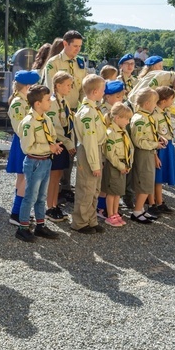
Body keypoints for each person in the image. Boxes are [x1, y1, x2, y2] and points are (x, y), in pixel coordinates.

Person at [43, 31, 88, 201]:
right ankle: (54, 188)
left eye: (80, 46)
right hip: (60, 111)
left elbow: (83, 87)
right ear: (65, 44)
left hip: (76, 110)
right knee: (60, 147)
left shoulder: (80, 62)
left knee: (72, 150)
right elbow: (50, 88)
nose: (77, 49)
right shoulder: (53, 63)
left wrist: (83, 106)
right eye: (75, 46)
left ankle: (66, 186)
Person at [15, 84, 62, 242]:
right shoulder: (29, 123)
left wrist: (54, 148)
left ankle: (40, 225)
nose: (50, 102)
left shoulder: (46, 119)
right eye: (48, 99)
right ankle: (22, 227)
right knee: (30, 196)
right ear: (38, 104)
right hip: (34, 162)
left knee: (42, 196)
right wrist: (48, 147)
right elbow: (27, 147)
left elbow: (52, 136)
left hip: (45, 161)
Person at [71, 74, 107, 234]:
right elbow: (90, 141)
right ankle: (80, 222)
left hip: (95, 150)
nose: (104, 93)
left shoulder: (94, 110)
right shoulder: (87, 113)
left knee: (94, 189)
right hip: (88, 152)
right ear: (94, 92)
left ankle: (91, 220)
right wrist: (94, 164)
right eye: (102, 90)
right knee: (86, 188)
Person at [6, 70, 41, 226]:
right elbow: (20, 127)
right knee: (26, 178)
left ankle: (20, 211)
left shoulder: (24, 100)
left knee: (22, 177)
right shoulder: (19, 103)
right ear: (28, 86)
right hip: (24, 143)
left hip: (25, 142)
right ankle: (16, 213)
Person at [129, 88, 164, 223]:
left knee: (147, 181)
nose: (156, 105)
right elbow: (139, 141)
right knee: (145, 182)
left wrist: (159, 139)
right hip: (143, 154)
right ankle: (137, 211)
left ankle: (141, 209)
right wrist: (155, 145)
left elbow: (150, 134)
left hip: (149, 152)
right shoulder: (139, 119)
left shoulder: (147, 117)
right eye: (155, 102)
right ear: (148, 103)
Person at [45, 71, 74, 222]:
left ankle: (54, 204)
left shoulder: (63, 101)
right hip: (58, 143)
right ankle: (49, 207)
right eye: (68, 85)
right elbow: (55, 128)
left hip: (64, 142)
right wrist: (69, 144)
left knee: (57, 176)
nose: (70, 88)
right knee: (53, 176)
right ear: (58, 85)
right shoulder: (52, 102)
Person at [101, 102, 133, 227]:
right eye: (127, 119)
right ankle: (110, 215)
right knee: (111, 192)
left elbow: (129, 149)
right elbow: (110, 154)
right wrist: (121, 166)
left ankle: (115, 212)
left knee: (118, 191)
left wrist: (128, 164)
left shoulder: (123, 132)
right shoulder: (111, 133)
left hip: (123, 166)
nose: (128, 122)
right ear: (117, 118)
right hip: (114, 166)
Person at [151, 86, 175, 214]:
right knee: (156, 177)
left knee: (160, 178)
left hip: (167, 146)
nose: (173, 101)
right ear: (163, 101)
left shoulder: (165, 112)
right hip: (159, 149)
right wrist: (154, 154)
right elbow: (153, 134)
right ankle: (154, 203)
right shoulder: (154, 115)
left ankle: (159, 201)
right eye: (171, 99)